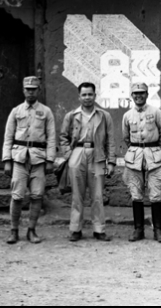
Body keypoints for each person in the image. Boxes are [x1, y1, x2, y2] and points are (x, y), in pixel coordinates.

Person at [2, 76, 56, 245]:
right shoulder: (16, 111)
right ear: (23, 90)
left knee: (37, 195)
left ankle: (32, 230)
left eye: (34, 89)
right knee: (17, 196)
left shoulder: (46, 112)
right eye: (28, 89)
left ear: (38, 90)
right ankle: (14, 230)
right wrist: (7, 160)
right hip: (19, 159)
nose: (30, 92)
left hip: (38, 159)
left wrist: (50, 160)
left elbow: (52, 137)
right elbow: (8, 137)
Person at [60, 82, 117, 242]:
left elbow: (110, 140)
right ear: (79, 97)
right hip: (77, 153)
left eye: (90, 94)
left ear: (95, 96)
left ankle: (99, 229)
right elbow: (63, 137)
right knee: (77, 195)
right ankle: (75, 229)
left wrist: (111, 162)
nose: (87, 97)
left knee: (97, 195)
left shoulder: (104, 116)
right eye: (84, 95)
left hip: (97, 154)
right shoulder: (71, 116)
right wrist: (69, 155)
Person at [122, 82, 161, 243]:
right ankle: (138, 229)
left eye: (141, 93)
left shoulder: (156, 112)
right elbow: (126, 138)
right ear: (132, 96)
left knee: (155, 194)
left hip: (154, 158)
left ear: (147, 94)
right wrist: (137, 151)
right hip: (134, 158)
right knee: (136, 194)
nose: (139, 96)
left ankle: (158, 230)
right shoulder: (127, 116)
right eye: (135, 93)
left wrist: (154, 150)